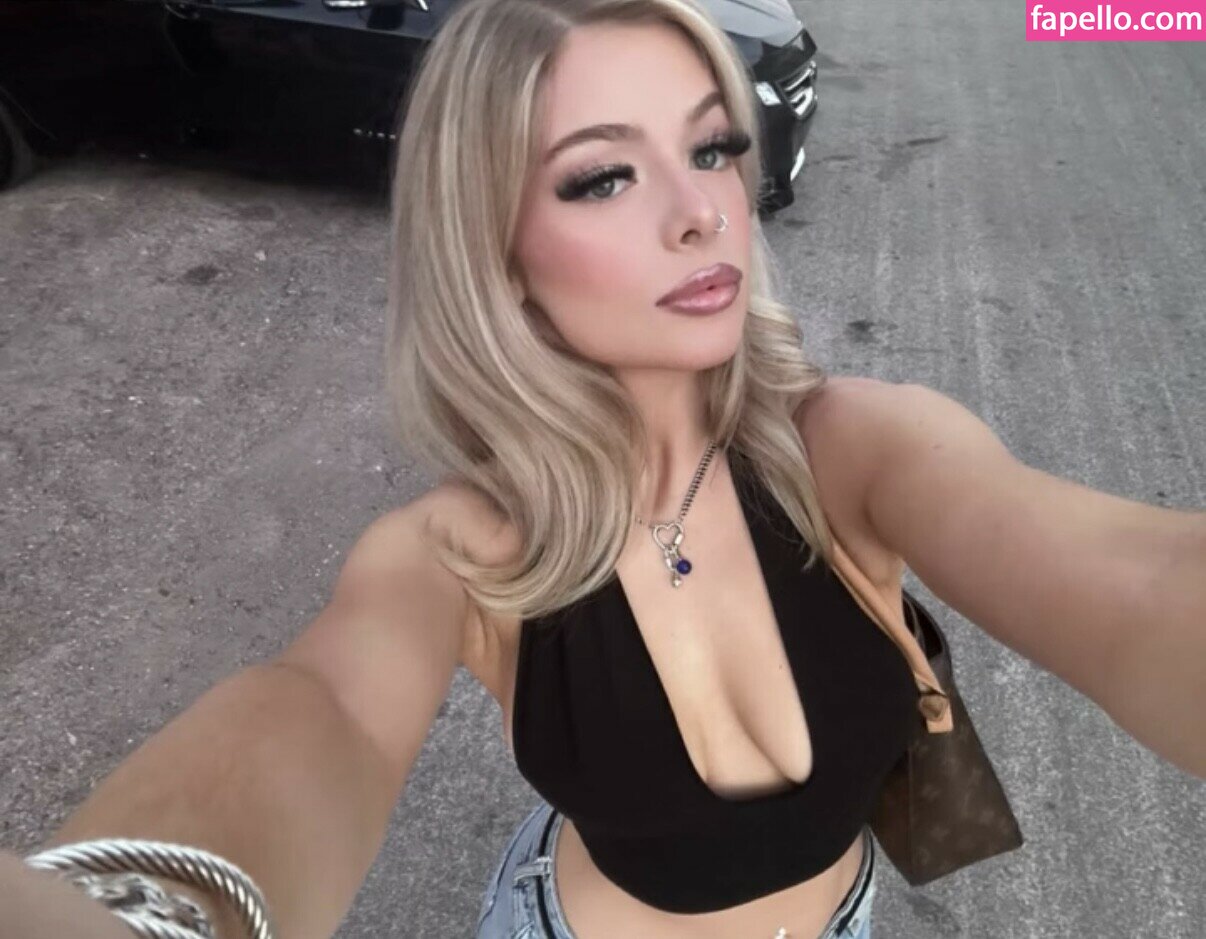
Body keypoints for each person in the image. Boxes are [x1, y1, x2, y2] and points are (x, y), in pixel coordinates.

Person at [3, 0, 1204, 937]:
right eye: (603, 175)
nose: (702, 213)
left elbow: (1130, 581)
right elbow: (321, 712)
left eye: (713, 148)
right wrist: (138, 910)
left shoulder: (857, 448)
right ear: (494, 247)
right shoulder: (460, 553)